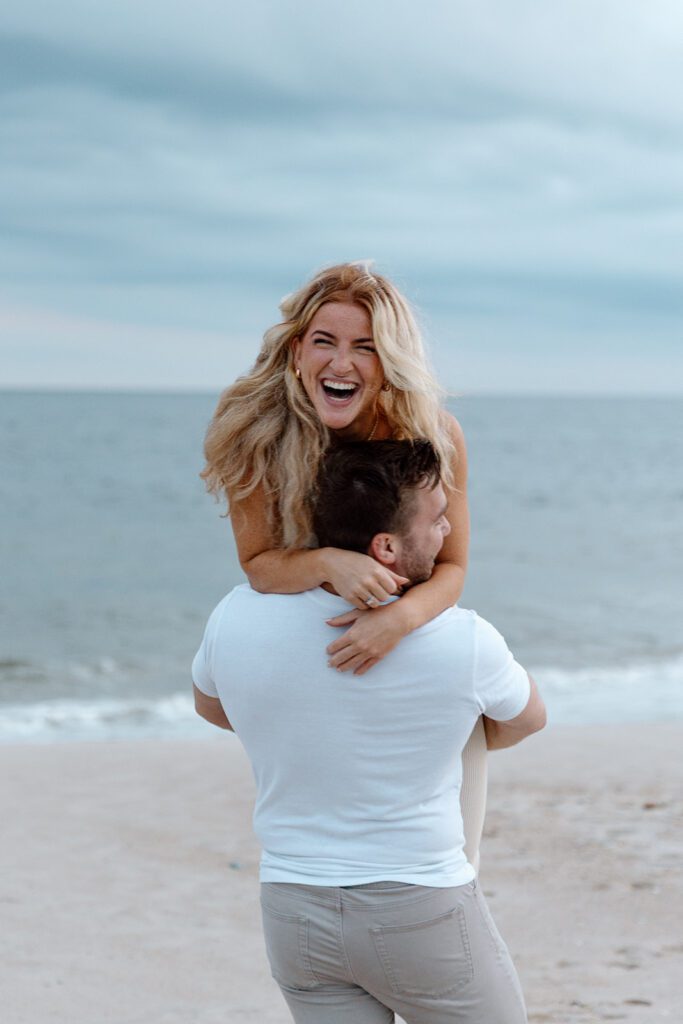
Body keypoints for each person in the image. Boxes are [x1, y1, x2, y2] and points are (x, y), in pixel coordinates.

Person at [193, 439, 546, 1024]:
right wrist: (443, 734)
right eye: (435, 520)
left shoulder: (235, 614)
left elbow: (215, 708)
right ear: (386, 545)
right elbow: (528, 719)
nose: (444, 534)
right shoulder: (462, 640)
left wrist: (308, 727)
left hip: (293, 908)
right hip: (418, 910)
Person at [200, 261, 488, 870]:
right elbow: (259, 566)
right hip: (319, 663)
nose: (341, 363)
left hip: (413, 661)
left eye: (365, 347)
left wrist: (400, 620)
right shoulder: (254, 430)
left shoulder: (436, 434)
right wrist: (329, 563)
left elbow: (454, 568)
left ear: (389, 360)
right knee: (321, 859)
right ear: (297, 348)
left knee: (445, 867)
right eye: (324, 342)